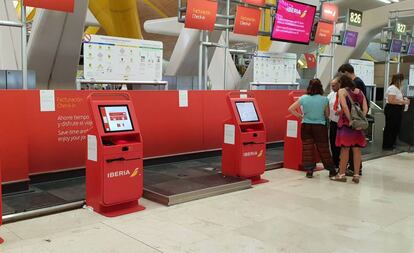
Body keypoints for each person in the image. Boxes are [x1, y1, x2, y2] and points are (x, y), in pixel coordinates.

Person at [288, 79, 336, 178]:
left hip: (306, 126)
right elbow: (327, 115)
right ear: (320, 87)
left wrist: (300, 116)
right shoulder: (324, 99)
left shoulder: (303, 98)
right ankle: (331, 169)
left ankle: (309, 171)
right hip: (320, 127)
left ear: (309, 87)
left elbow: (291, 109)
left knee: (308, 149)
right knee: (323, 149)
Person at [332, 75, 368, 184]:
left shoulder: (342, 91)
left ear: (341, 83)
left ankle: (341, 174)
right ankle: (356, 175)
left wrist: (351, 120)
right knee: (357, 150)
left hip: (346, 124)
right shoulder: (359, 92)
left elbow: (345, 107)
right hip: (359, 125)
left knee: (345, 149)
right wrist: (360, 120)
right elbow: (365, 108)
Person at [383, 73, 410, 150]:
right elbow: (391, 100)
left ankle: (391, 144)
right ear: (398, 80)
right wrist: (403, 102)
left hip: (396, 109)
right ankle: (387, 145)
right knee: (390, 127)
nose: (402, 82)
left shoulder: (397, 88)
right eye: (402, 80)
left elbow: (396, 98)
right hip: (392, 109)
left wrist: (403, 100)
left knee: (395, 127)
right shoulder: (392, 88)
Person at [327, 77, 341, 169]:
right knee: (333, 143)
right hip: (333, 122)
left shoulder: (344, 94)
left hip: (342, 122)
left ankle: (342, 161)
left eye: (334, 85)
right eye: (331, 85)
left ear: (340, 84)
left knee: (341, 144)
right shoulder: (331, 95)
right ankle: (335, 161)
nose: (332, 87)